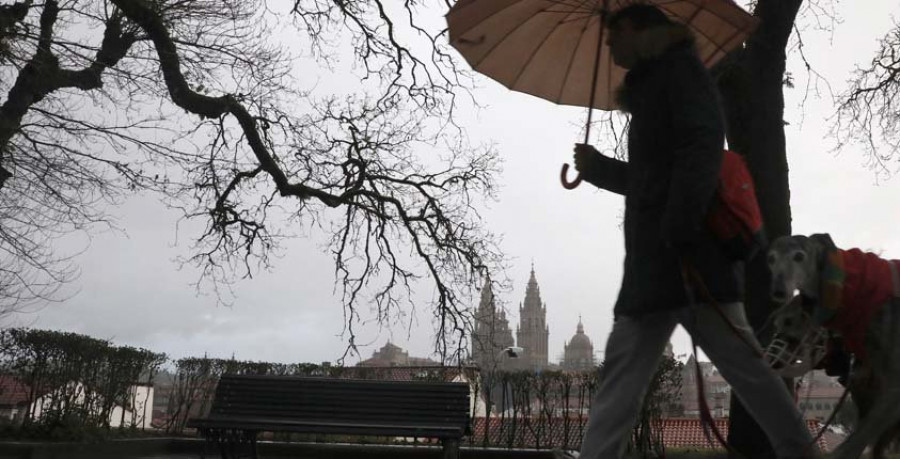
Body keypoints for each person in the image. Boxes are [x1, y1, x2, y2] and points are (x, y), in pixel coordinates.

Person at [557, 5, 816, 459]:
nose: (609, 44)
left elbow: (700, 153)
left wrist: (678, 225)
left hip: (687, 258)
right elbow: (655, 177)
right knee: (634, 380)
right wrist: (598, 169)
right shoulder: (663, 84)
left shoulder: (680, 77)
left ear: (638, 30)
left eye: (613, 34)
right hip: (662, 262)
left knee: (745, 372)